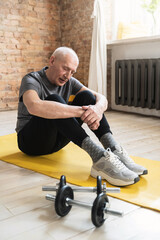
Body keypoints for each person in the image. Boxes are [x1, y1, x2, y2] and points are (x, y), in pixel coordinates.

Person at [16, 46, 148, 187]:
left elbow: (101, 98)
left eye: (72, 72)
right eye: (65, 68)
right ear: (52, 60)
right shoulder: (31, 79)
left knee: (87, 96)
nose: (68, 76)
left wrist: (96, 109)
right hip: (30, 143)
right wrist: (81, 112)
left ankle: (113, 149)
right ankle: (99, 157)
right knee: (54, 100)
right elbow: (34, 106)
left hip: (56, 143)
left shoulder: (70, 81)